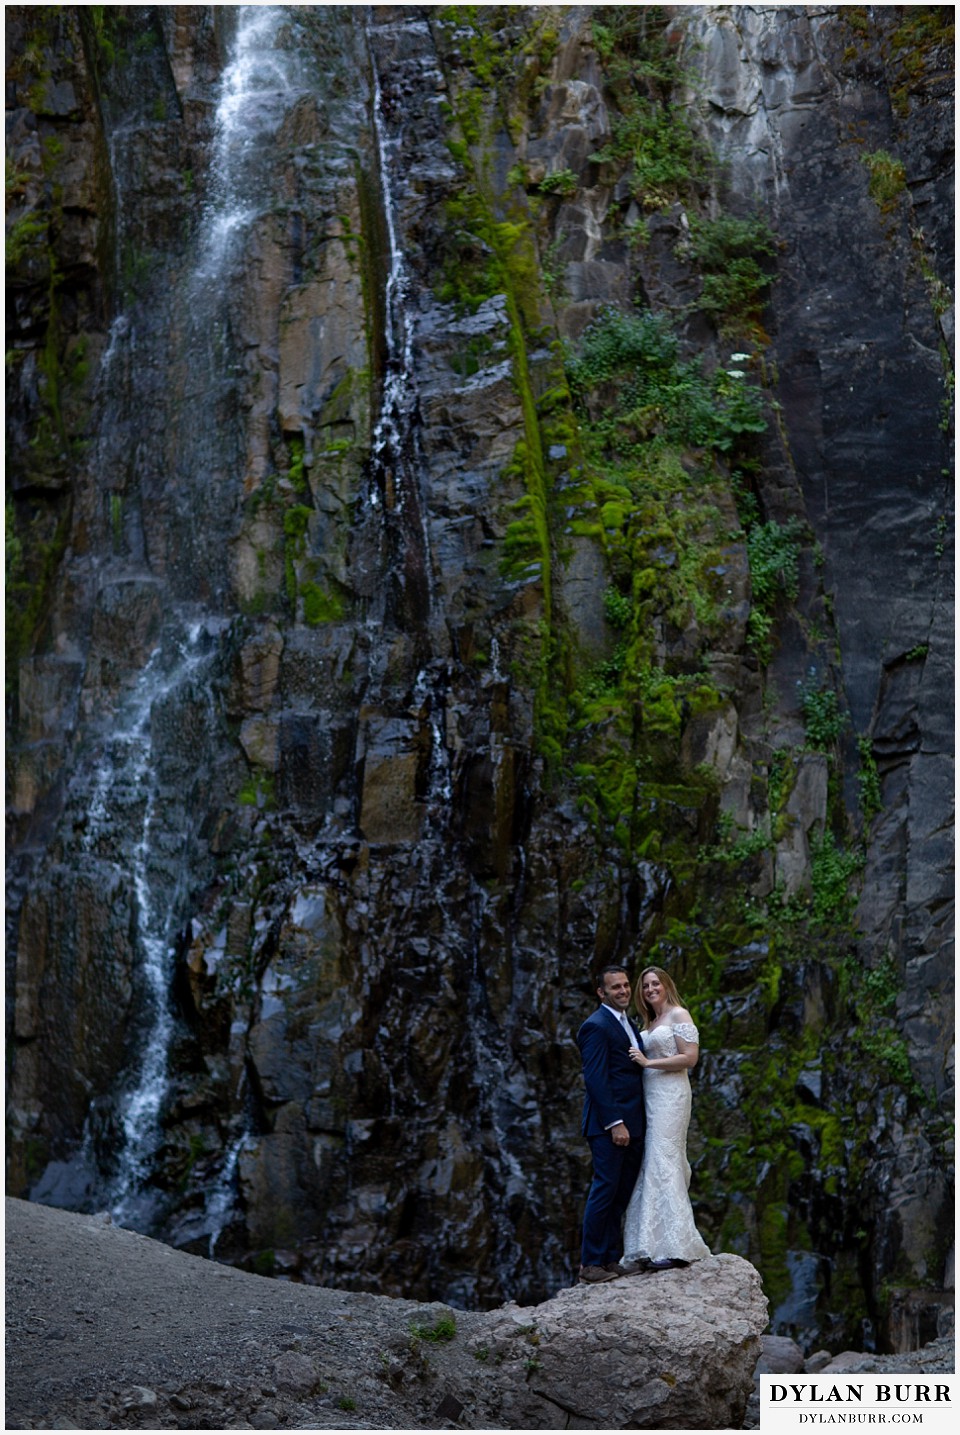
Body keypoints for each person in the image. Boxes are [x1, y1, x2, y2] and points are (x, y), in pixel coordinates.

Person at [620, 965, 711, 1270]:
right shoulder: (650, 1020)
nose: (650, 989)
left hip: (672, 1094)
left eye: (655, 983)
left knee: (665, 1158)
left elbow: (690, 1057)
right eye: (645, 986)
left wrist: (648, 1061)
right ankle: (648, 1244)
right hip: (650, 1096)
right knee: (651, 1161)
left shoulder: (679, 1015)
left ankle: (678, 1246)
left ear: (666, 984)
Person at [576, 965, 646, 1283]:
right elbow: (596, 1078)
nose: (623, 991)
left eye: (626, 985)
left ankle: (609, 1259)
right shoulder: (596, 1025)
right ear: (601, 993)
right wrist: (615, 1123)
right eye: (615, 987)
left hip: (633, 1124)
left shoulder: (625, 1022)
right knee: (604, 1190)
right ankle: (591, 1262)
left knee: (620, 1193)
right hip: (610, 1125)